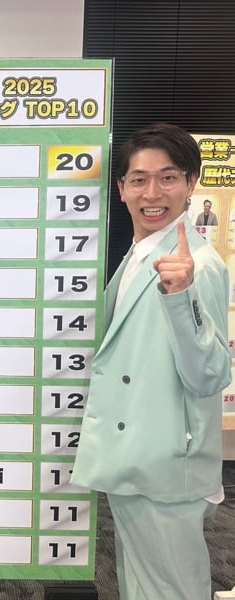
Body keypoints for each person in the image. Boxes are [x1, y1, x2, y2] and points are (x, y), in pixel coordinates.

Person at [71, 123, 232, 599]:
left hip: (166, 467)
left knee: (170, 589)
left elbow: (210, 375)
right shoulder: (141, 254)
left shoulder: (197, 266)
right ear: (122, 189)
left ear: (191, 183)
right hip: (137, 460)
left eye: (168, 177)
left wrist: (181, 297)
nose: (153, 193)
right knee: (140, 584)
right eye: (139, 179)